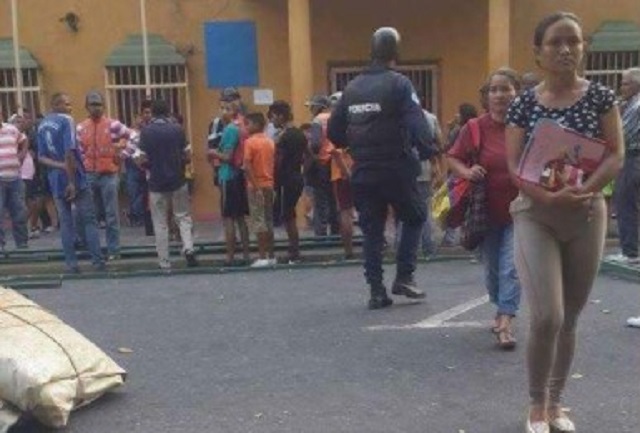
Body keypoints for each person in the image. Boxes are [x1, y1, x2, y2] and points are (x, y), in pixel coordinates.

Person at [505, 12, 623, 433]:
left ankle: (556, 403)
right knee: (547, 316)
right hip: (537, 215)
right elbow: (515, 165)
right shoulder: (524, 103)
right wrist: (547, 195)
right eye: (555, 42)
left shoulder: (601, 98)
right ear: (538, 53)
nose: (566, 49)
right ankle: (536, 404)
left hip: (586, 214)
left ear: (583, 48)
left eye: (573, 41)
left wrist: (588, 187)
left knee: (570, 317)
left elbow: (615, 153)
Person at [327, 27, 438, 309]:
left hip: (363, 170)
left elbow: (335, 131)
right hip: (396, 166)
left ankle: (376, 291)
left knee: (372, 230)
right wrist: (428, 150)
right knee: (414, 216)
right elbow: (416, 122)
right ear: (395, 53)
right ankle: (404, 276)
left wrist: (355, 146)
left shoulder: (350, 89)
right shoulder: (400, 84)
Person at [448, 68, 522, 349]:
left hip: (520, 210)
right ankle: (499, 305)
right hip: (485, 213)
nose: (500, 95)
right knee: (492, 270)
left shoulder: (525, 126)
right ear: (486, 96)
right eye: (494, 90)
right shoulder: (474, 128)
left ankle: (505, 320)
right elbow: (453, 158)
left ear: (516, 93)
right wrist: (467, 171)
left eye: (506, 89)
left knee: (511, 267)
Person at [37, 93, 105, 273]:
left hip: (55, 178)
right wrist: (71, 179)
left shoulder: (42, 125)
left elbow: (41, 157)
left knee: (65, 223)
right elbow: (69, 152)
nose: (70, 107)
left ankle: (71, 263)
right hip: (74, 177)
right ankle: (97, 261)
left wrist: (59, 166)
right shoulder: (66, 120)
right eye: (67, 104)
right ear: (56, 105)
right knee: (89, 219)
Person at [138, 99, 198, 270]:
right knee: (183, 216)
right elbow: (187, 155)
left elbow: (142, 159)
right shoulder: (177, 129)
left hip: (156, 182)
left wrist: (151, 167)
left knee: (160, 222)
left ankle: (164, 261)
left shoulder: (146, 132)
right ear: (168, 112)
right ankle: (188, 247)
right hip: (178, 180)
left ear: (153, 113)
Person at [76, 91, 131, 260]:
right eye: (92, 105)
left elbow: (134, 137)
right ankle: (92, 249)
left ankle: (114, 250)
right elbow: (77, 150)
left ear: (104, 106)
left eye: (98, 104)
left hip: (109, 174)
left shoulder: (113, 125)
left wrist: (122, 154)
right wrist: (84, 163)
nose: (96, 108)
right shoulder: (80, 128)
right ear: (87, 107)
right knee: (88, 213)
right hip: (89, 175)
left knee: (111, 214)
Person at [209, 98, 251, 266]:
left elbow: (227, 156)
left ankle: (230, 255)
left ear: (234, 112)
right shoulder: (242, 128)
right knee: (240, 217)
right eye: (222, 108)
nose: (222, 111)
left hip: (228, 175)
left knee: (228, 217)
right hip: (239, 175)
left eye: (226, 108)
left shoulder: (229, 130)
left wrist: (213, 153)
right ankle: (246, 254)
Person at [607, 68, 640, 266]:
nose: (622, 87)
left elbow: (622, 133)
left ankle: (630, 251)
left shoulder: (636, 106)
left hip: (632, 157)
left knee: (625, 203)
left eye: (626, 83)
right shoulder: (630, 104)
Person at [270, 100, 306, 262]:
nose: (271, 121)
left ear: (280, 116)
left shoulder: (284, 137)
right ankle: (294, 249)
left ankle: (294, 251)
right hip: (297, 176)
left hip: (286, 179)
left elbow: (278, 160)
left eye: (273, 117)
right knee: (289, 213)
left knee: (288, 215)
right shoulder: (300, 133)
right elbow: (309, 156)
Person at [243, 112, 276, 267]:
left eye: (247, 124)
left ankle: (262, 256)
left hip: (255, 185)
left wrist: (255, 187)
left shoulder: (250, 143)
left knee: (258, 221)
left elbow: (247, 166)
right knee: (269, 220)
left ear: (256, 125)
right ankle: (271, 255)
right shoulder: (270, 142)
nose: (245, 127)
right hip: (269, 183)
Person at [307, 94, 339, 237]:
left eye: (312, 106)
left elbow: (315, 144)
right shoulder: (335, 118)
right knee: (335, 199)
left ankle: (321, 234)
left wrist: (310, 153)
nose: (311, 109)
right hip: (336, 162)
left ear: (319, 107)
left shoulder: (317, 121)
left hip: (321, 163)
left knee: (320, 200)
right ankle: (336, 231)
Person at [328, 92, 356, 259]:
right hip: (359, 171)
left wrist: (346, 173)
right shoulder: (357, 123)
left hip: (342, 174)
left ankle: (349, 251)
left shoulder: (337, 127)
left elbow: (336, 153)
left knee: (345, 212)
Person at [0, 109, 29, 253]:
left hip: (15, 178)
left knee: (19, 212)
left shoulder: (11, 129)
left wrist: (21, 155)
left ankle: (22, 245)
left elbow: (24, 140)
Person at [125, 100, 152, 228]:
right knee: (133, 192)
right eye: (146, 113)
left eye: (150, 112)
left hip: (148, 164)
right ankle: (136, 218)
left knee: (146, 193)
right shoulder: (133, 130)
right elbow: (127, 145)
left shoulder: (153, 129)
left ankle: (141, 217)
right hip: (132, 164)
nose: (148, 115)